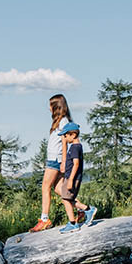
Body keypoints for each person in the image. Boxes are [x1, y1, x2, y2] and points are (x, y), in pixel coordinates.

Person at [30, 94, 72, 232]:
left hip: (56, 160)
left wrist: (64, 161)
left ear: (56, 106)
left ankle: (44, 219)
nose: (48, 108)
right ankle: (84, 209)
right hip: (54, 159)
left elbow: (66, 141)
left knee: (45, 187)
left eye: (50, 105)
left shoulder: (64, 122)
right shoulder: (58, 122)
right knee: (59, 190)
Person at [56, 123, 97, 234]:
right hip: (71, 177)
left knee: (65, 199)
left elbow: (76, 164)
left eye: (66, 135)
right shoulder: (76, 146)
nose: (64, 138)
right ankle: (87, 210)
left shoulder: (74, 148)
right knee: (67, 199)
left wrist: (70, 180)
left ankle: (73, 223)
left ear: (73, 135)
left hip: (71, 178)